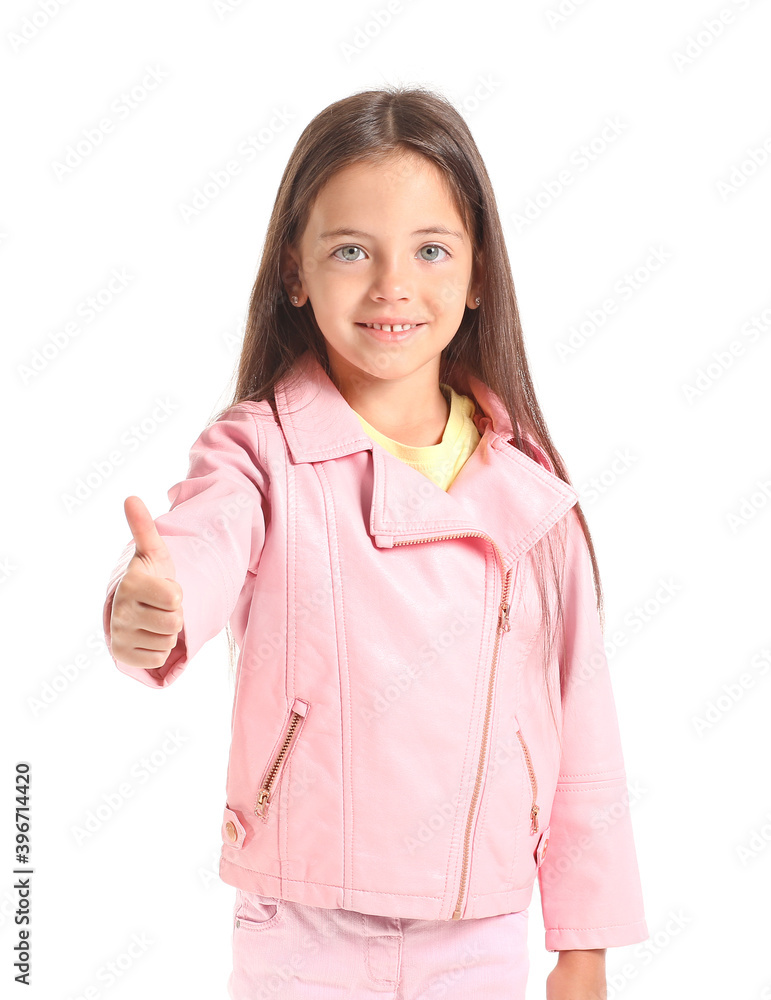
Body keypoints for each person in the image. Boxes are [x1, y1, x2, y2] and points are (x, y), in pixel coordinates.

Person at [102, 85, 649, 999]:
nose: (392, 285)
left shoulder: (531, 490)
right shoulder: (260, 449)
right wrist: (153, 605)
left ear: (478, 275)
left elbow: (581, 722)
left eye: (431, 250)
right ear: (294, 273)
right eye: (351, 250)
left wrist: (583, 943)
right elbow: (198, 543)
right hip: (304, 922)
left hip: (479, 922)